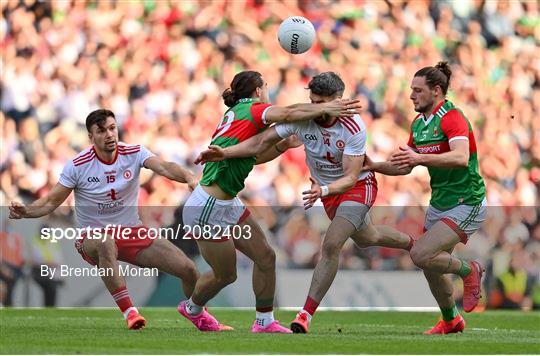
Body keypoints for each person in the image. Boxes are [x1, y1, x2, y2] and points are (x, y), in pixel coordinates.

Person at [195, 71, 413, 334]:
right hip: (326, 191)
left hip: (355, 187)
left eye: (321, 103)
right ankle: (413, 243)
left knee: (332, 243)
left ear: (337, 100)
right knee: (368, 236)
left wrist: (323, 189)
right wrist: (226, 153)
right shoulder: (304, 120)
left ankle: (304, 314)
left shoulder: (353, 126)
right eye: (312, 101)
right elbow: (262, 142)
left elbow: (351, 176)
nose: (315, 108)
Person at [9, 109, 200, 329]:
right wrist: (27, 211)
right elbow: (52, 201)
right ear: (91, 138)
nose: (109, 134)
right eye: (101, 131)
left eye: (112, 128)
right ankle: (130, 312)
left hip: (131, 231)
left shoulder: (134, 152)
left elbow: (164, 167)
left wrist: (188, 177)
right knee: (105, 242)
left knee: (189, 269)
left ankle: (198, 314)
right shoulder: (78, 165)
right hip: (92, 236)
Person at [364, 62, 487, 334]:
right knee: (431, 267)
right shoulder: (419, 124)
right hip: (440, 202)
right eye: (411, 90)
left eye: (417, 90)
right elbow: (404, 165)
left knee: (421, 254)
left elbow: (460, 157)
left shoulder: (452, 116)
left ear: (437, 91)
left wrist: (420, 158)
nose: (411, 95)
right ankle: (451, 320)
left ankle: (469, 270)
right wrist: (372, 165)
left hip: (467, 202)